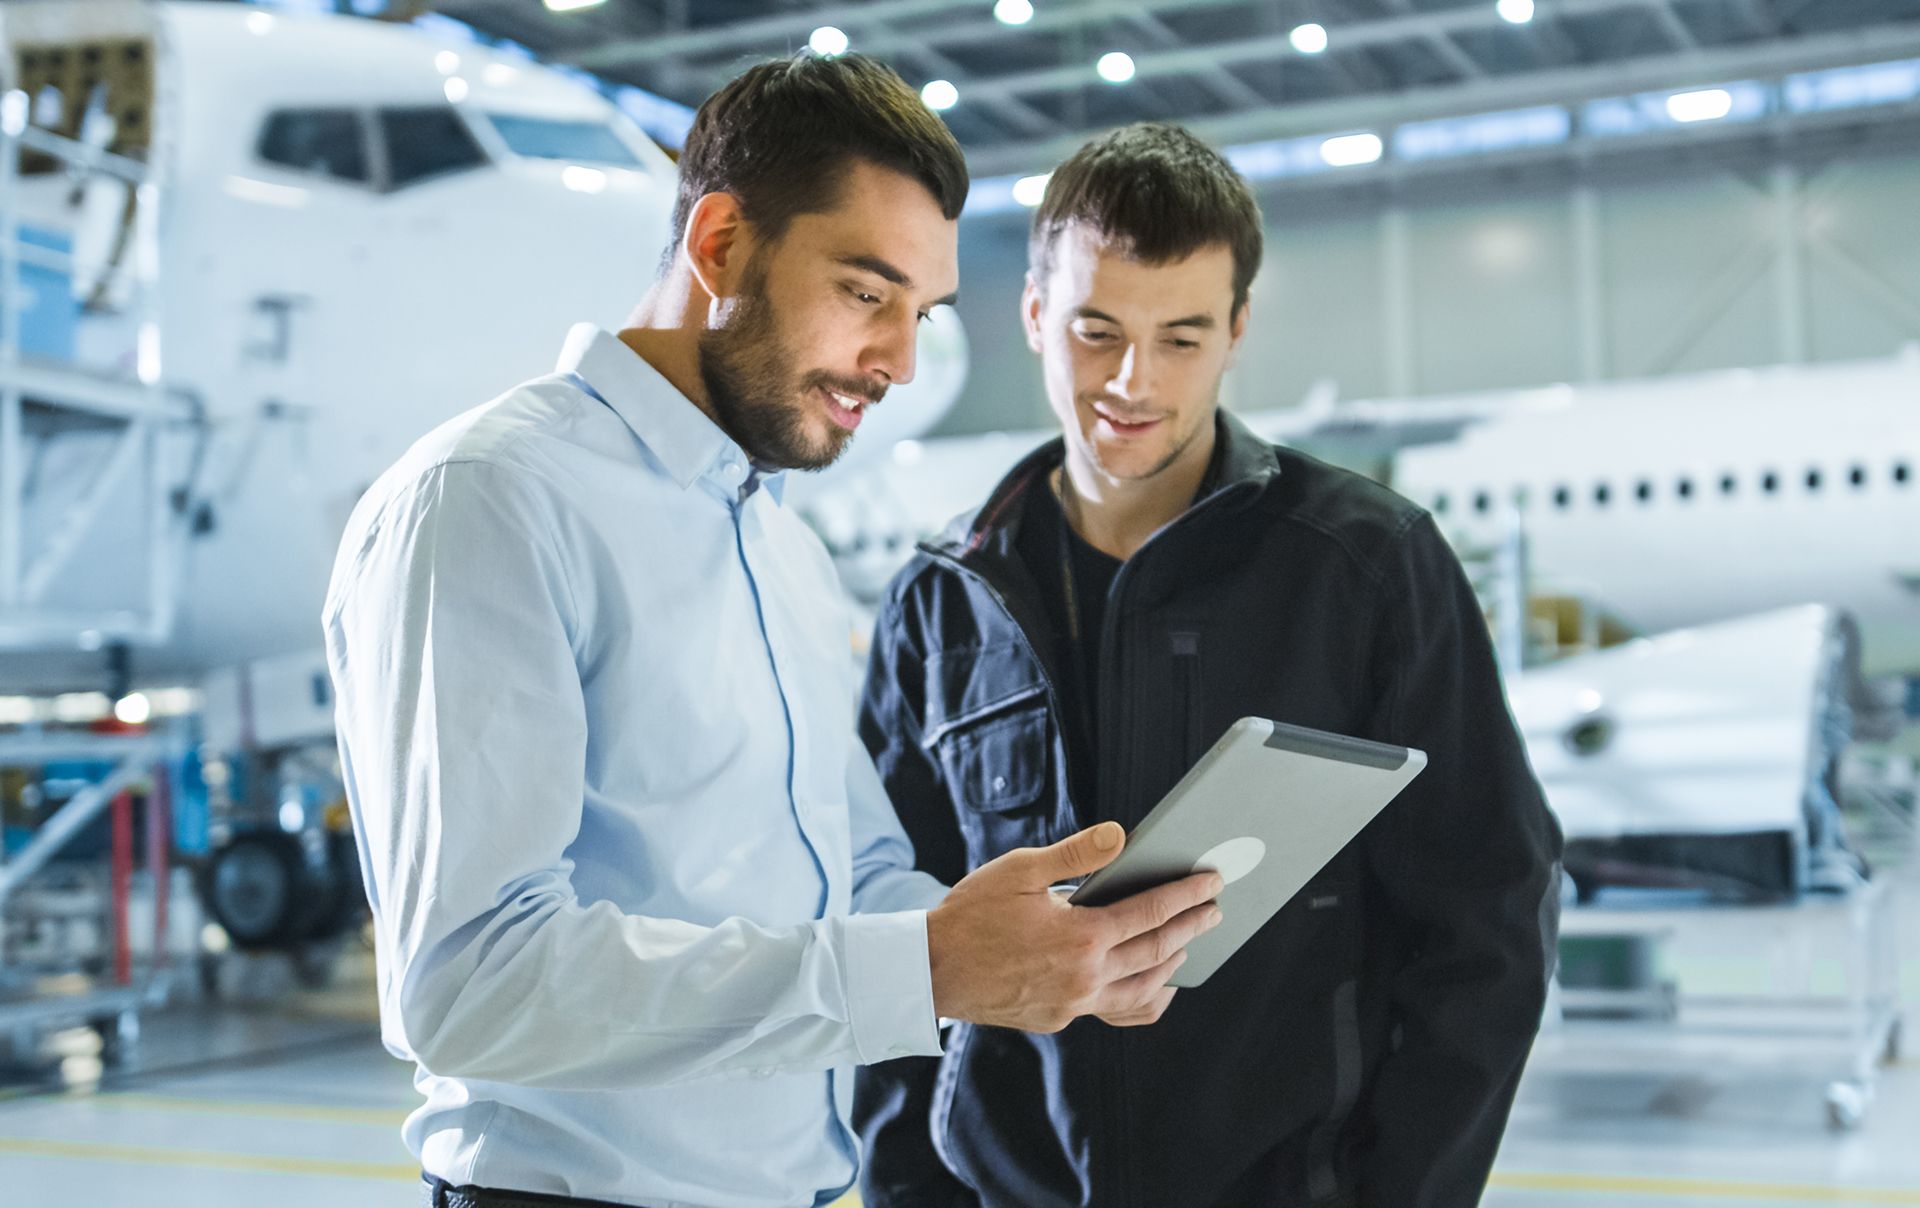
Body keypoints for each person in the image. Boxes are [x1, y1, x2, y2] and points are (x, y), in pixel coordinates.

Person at [323, 59, 1222, 1208]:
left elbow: (848, 876)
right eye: (865, 292)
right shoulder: (492, 497)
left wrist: (1045, 950)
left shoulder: (777, 541)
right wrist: (923, 964)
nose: (897, 359)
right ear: (719, 248)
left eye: (921, 312)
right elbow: (472, 982)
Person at [854, 122, 1565, 1208]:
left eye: (1181, 338)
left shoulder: (1365, 566)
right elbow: (888, 930)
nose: (1132, 381)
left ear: (1237, 331)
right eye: (1096, 331)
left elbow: (1491, 915)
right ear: (1035, 314)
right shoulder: (944, 600)